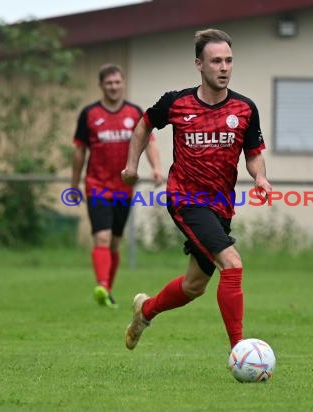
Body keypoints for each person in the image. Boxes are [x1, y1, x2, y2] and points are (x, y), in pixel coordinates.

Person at [121, 29, 272, 350]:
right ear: (199, 65)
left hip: (221, 206)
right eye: (216, 61)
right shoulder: (176, 103)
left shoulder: (245, 109)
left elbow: (254, 153)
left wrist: (260, 177)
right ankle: (240, 351)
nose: (224, 67)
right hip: (186, 199)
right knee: (232, 264)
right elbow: (144, 124)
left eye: (229, 61)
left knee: (194, 286)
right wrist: (132, 166)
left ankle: (145, 311)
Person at [72, 63, 163, 309]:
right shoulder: (89, 114)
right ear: (101, 85)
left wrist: (156, 167)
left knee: (113, 242)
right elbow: (79, 150)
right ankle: (101, 283)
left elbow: (149, 141)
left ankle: (107, 291)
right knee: (101, 237)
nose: (113, 86)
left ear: (123, 83)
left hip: (124, 187)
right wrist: (74, 183)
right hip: (97, 185)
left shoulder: (135, 113)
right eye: (108, 83)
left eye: (117, 82)